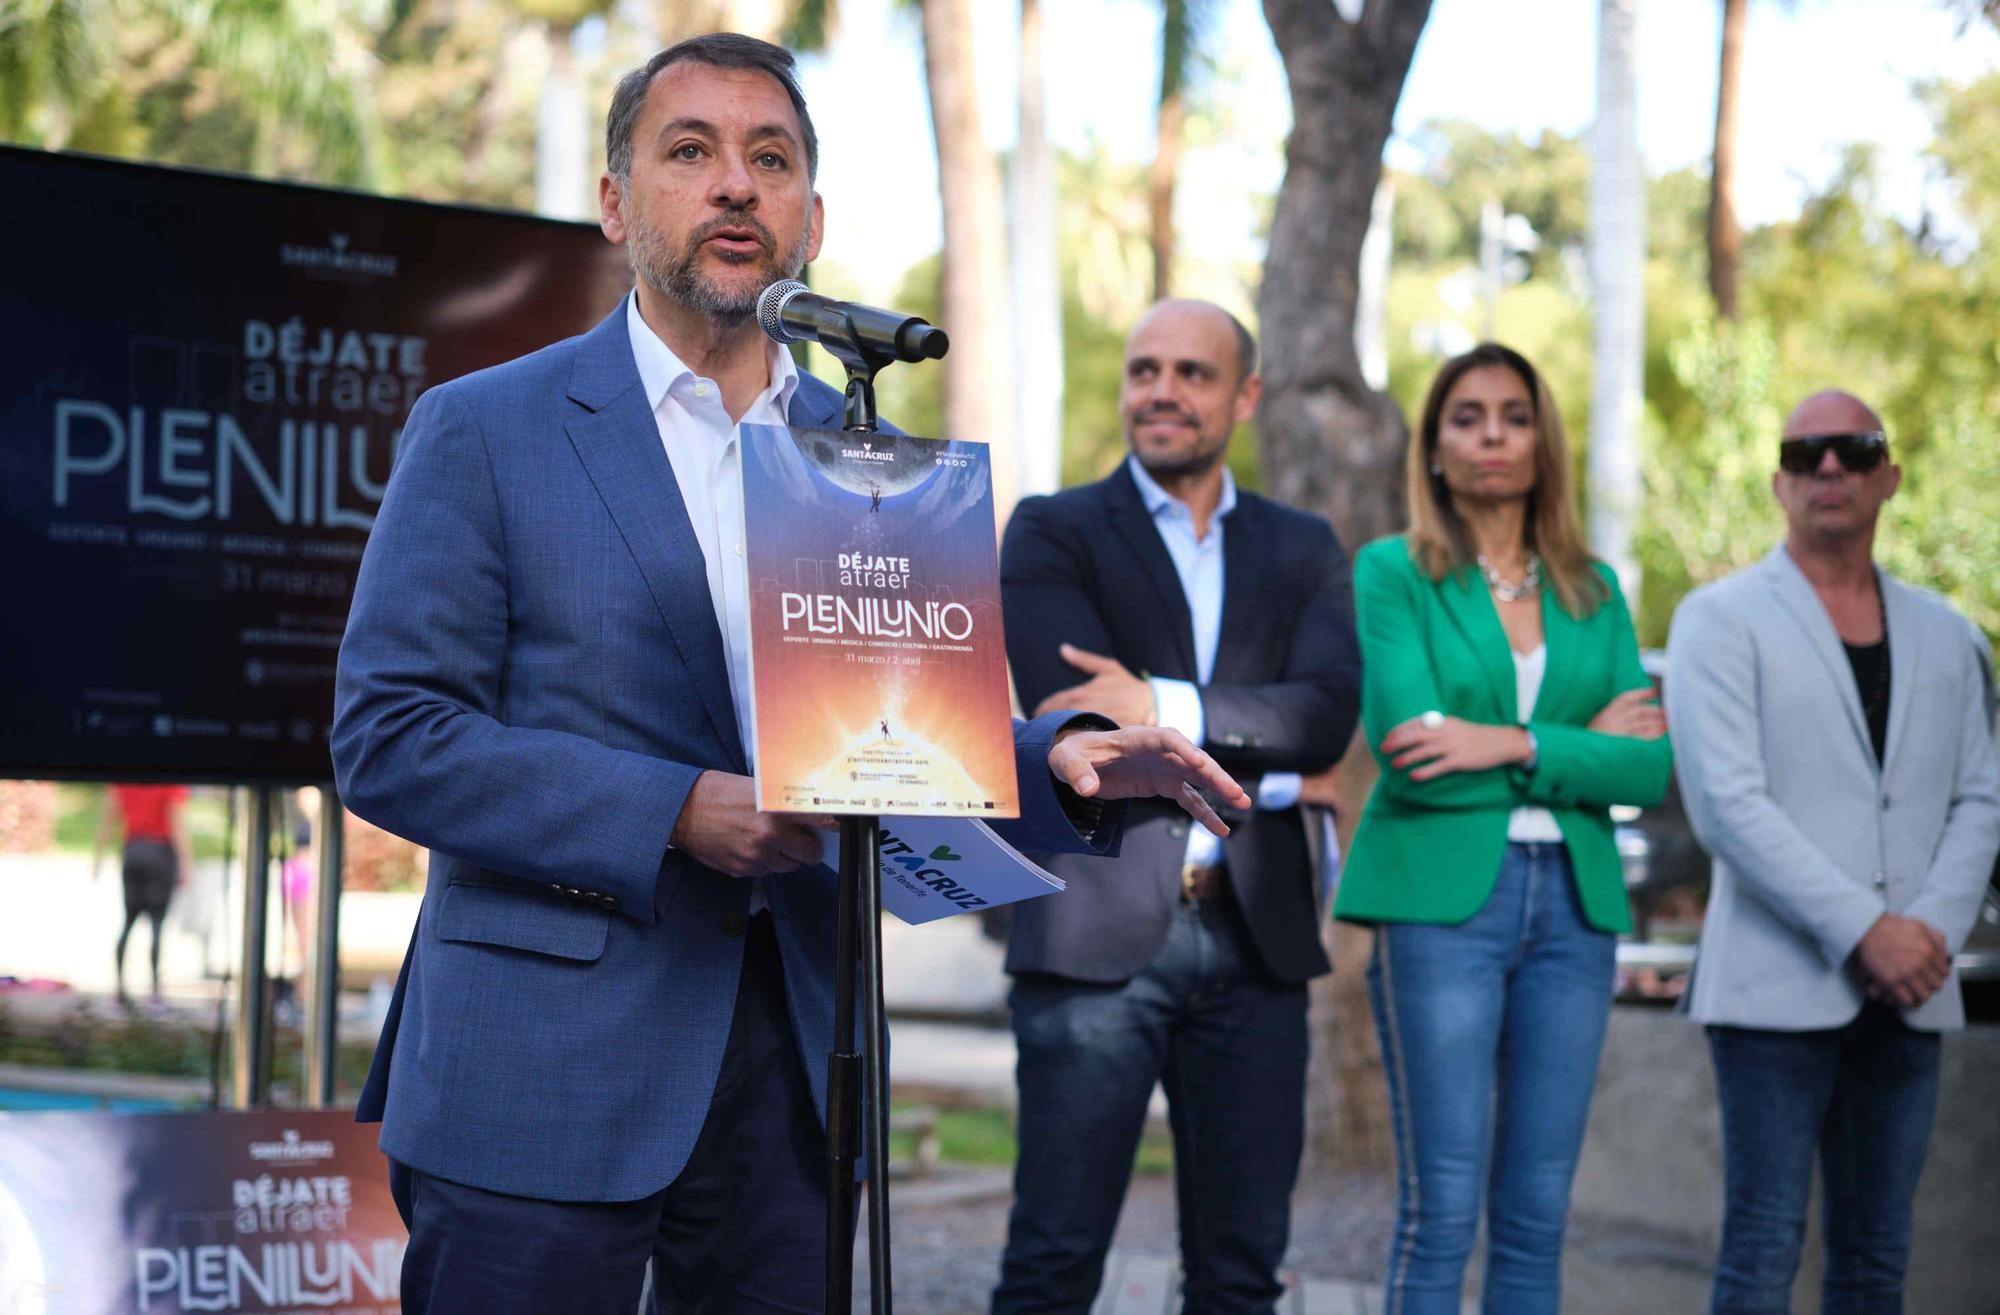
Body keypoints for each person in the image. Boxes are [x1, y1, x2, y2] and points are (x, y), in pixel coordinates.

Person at [330, 34, 1251, 1314]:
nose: (734, 185)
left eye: (770, 159)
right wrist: (674, 811)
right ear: (614, 201)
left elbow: (901, 734)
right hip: (538, 1065)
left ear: (810, 218)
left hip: (795, 1061)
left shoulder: (870, 457)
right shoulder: (487, 427)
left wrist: (1053, 761)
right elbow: (392, 734)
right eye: (689, 151)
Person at [993, 298, 1361, 1314]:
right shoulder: (1051, 528)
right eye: (1143, 368)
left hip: (1255, 940)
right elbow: (1067, 715)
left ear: (1242, 396)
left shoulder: (1301, 546)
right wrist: (1265, 752)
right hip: (1095, 932)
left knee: (1240, 1273)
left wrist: (1156, 702)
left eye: (1192, 373)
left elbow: (1326, 715)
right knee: (1051, 1262)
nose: (1161, 389)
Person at [1332, 343, 1671, 1314]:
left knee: (1535, 1211)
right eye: (1467, 416)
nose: (1491, 434)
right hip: (1439, 907)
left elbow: (1645, 765)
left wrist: (1505, 739)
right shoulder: (1392, 573)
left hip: (1574, 909)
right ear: (1433, 446)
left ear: (1540, 440)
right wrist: (1569, 749)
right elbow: (1412, 748)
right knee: (1438, 1207)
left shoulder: (1592, 589)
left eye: (1513, 415)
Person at [1665, 390, 2000, 1314]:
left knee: (1877, 1260)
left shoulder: (1951, 634)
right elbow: (1727, 805)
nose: (1829, 470)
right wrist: (1867, 930)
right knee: (1762, 1252)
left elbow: (1982, 794)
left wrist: (1924, 933)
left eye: (1853, 450)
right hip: (1773, 990)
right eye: (1807, 451)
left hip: (1915, 990)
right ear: (1779, 480)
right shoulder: (1718, 619)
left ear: (1888, 475)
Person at [95, 783, 191, 1005]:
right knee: (157, 923)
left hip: (133, 850)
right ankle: (155, 992)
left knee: (129, 921)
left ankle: (119, 989)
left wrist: (98, 856)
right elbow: (176, 819)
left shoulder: (124, 777)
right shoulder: (170, 780)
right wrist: (186, 863)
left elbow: (109, 815)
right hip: (160, 851)